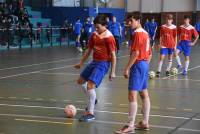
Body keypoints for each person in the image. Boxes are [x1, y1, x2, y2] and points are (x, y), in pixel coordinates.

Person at [74, 15, 116, 122]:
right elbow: (88, 51)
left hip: (103, 64)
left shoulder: (109, 37)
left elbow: (113, 56)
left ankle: (90, 113)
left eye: (98, 27)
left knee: (90, 85)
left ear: (105, 25)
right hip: (94, 62)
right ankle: (94, 98)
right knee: (80, 81)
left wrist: (113, 72)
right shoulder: (94, 34)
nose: (96, 29)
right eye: (95, 27)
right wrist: (81, 63)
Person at [116, 15, 151, 134]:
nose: (129, 23)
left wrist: (127, 68)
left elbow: (135, 53)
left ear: (138, 21)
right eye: (128, 21)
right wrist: (144, 65)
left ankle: (130, 125)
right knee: (143, 93)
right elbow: (150, 53)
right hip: (145, 64)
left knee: (132, 94)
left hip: (138, 65)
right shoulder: (146, 33)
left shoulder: (137, 33)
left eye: (131, 21)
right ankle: (145, 122)